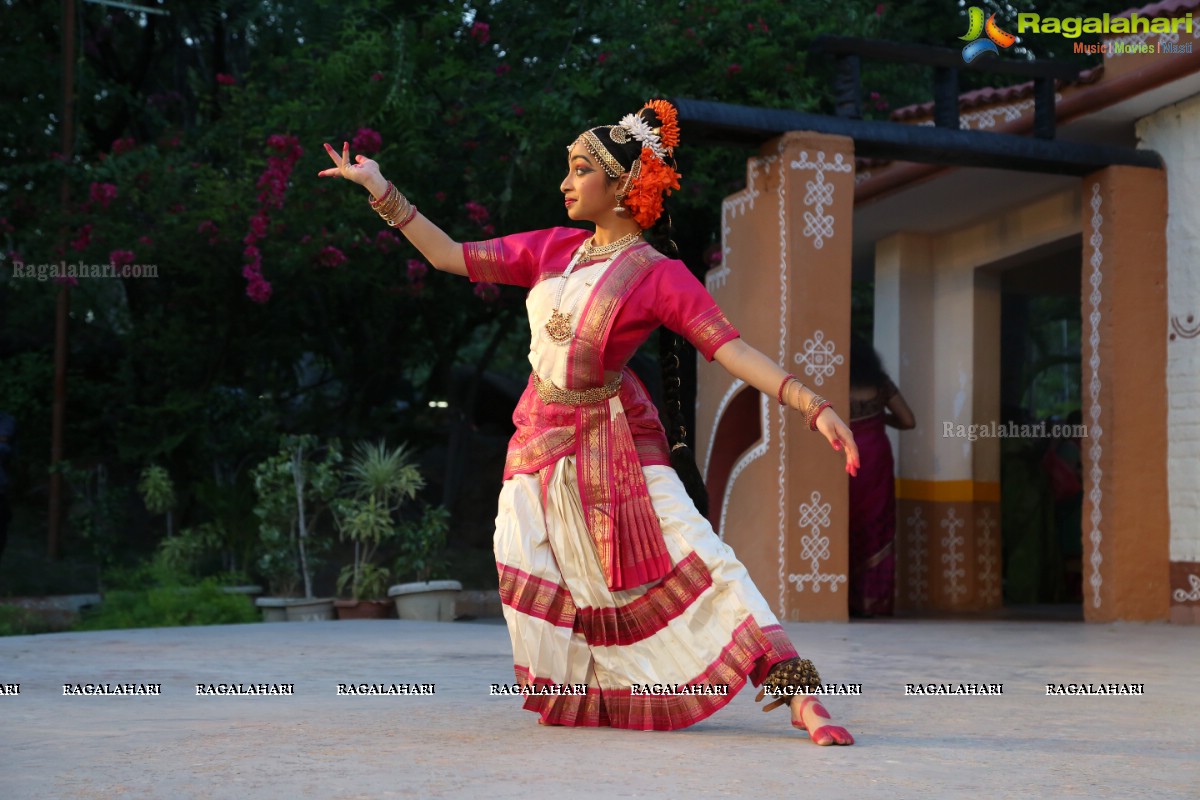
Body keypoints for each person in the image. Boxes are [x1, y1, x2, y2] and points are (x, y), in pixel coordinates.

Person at [319, 100, 859, 744]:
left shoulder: (660, 275)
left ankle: (801, 696)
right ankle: (599, 691)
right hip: (538, 437)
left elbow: (731, 350)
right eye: (567, 171)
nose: (565, 183)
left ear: (622, 185)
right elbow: (448, 255)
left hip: (615, 440)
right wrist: (378, 187)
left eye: (579, 171)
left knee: (703, 552)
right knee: (525, 552)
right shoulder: (552, 250)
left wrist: (811, 404)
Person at [847, 336, 914, 617]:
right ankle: (874, 603)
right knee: (878, 525)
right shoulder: (881, 383)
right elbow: (909, 421)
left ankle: (847, 602)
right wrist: (881, 419)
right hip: (877, 458)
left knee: (850, 524)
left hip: (847, 458)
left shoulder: (838, 382)